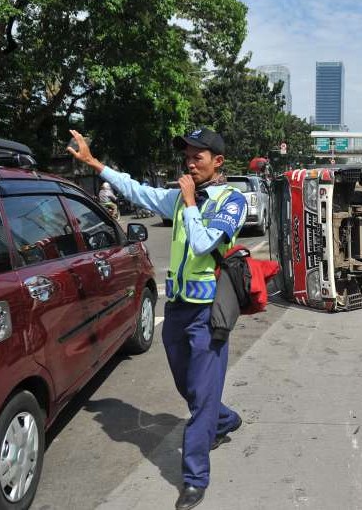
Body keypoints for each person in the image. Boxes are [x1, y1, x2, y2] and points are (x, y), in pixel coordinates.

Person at [67, 128, 247, 510]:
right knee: (192, 388)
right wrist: (94, 163)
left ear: (218, 162)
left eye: (198, 156)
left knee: (199, 401)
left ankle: (194, 478)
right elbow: (136, 191)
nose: (189, 162)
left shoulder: (230, 202)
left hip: (210, 312)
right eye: (187, 155)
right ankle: (224, 419)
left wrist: (189, 202)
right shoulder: (182, 200)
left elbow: (203, 244)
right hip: (179, 309)